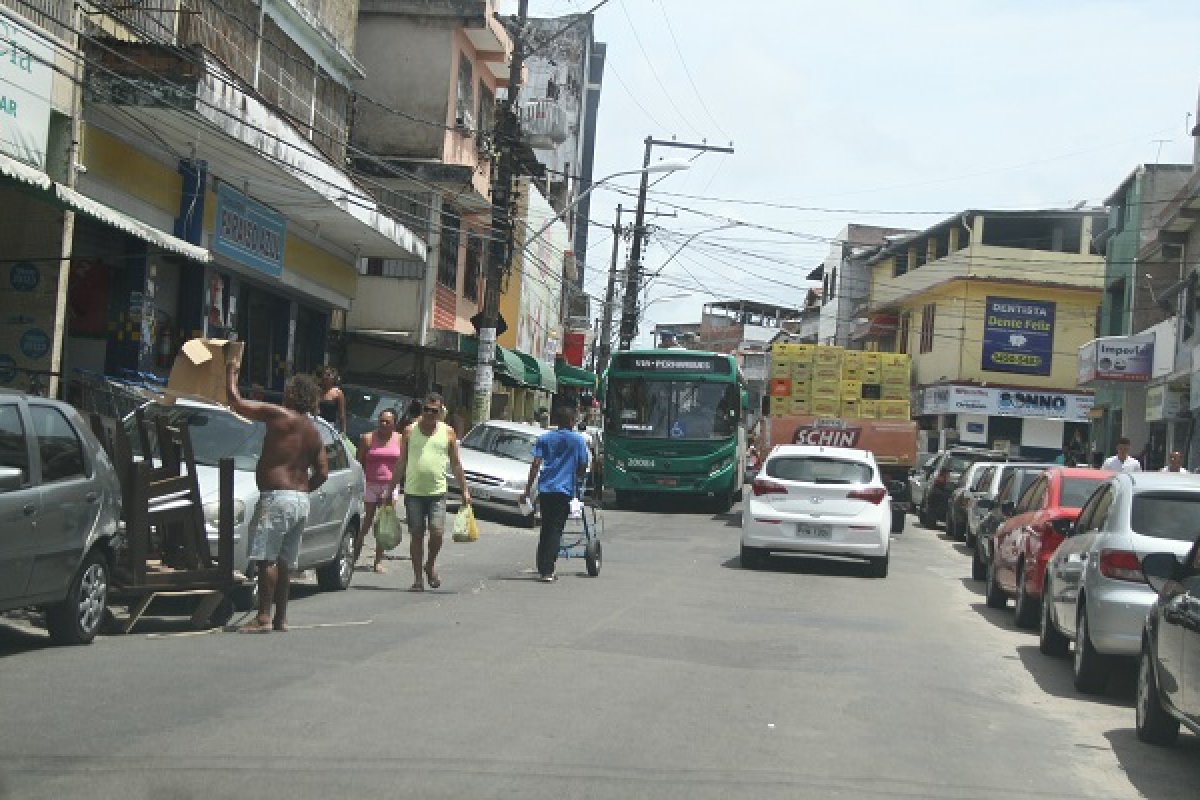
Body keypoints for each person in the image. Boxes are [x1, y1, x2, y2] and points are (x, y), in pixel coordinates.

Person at [226, 361, 328, 633]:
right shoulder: (314, 431)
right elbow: (323, 472)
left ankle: (263, 617)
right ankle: (281, 617)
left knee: (266, 559)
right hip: (300, 499)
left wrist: (231, 373)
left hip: (277, 498)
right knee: (285, 563)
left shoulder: (279, 415)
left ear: (292, 394)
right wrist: (303, 490)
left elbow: (236, 402)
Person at [387, 393, 470, 591]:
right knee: (416, 534)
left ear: (441, 412)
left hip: (438, 492)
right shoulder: (409, 431)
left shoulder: (448, 433)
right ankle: (417, 579)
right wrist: (390, 490)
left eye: (435, 411)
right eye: (427, 410)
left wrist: (464, 490)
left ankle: (430, 564)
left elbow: (456, 464)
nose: (430, 414)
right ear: (422, 410)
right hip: (414, 493)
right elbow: (401, 463)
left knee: (437, 532)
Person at [520, 405, 591, 583]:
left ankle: (543, 564)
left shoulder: (545, 438)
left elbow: (535, 464)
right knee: (556, 529)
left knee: (546, 526)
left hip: (546, 489)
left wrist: (527, 489)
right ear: (571, 421)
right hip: (564, 490)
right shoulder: (578, 441)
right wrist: (578, 474)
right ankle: (548, 569)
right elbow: (583, 465)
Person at [354, 408, 402, 572]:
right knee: (366, 522)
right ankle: (352, 556)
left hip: (390, 485)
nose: (383, 424)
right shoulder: (368, 438)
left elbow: (404, 463)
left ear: (394, 424)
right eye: (381, 420)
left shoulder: (400, 440)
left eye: (387, 422)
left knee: (383, 524)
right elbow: (358, 463)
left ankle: (378, 561)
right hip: (370, 484)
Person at [317, 365, 347, 433]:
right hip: (316, 424)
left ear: (334, 378)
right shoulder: (318, 391)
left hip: (329, 426)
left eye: (328, 375)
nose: (325, 377)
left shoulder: (338, 393)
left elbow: (341, 414)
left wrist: (343, 431)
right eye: (324, 374)